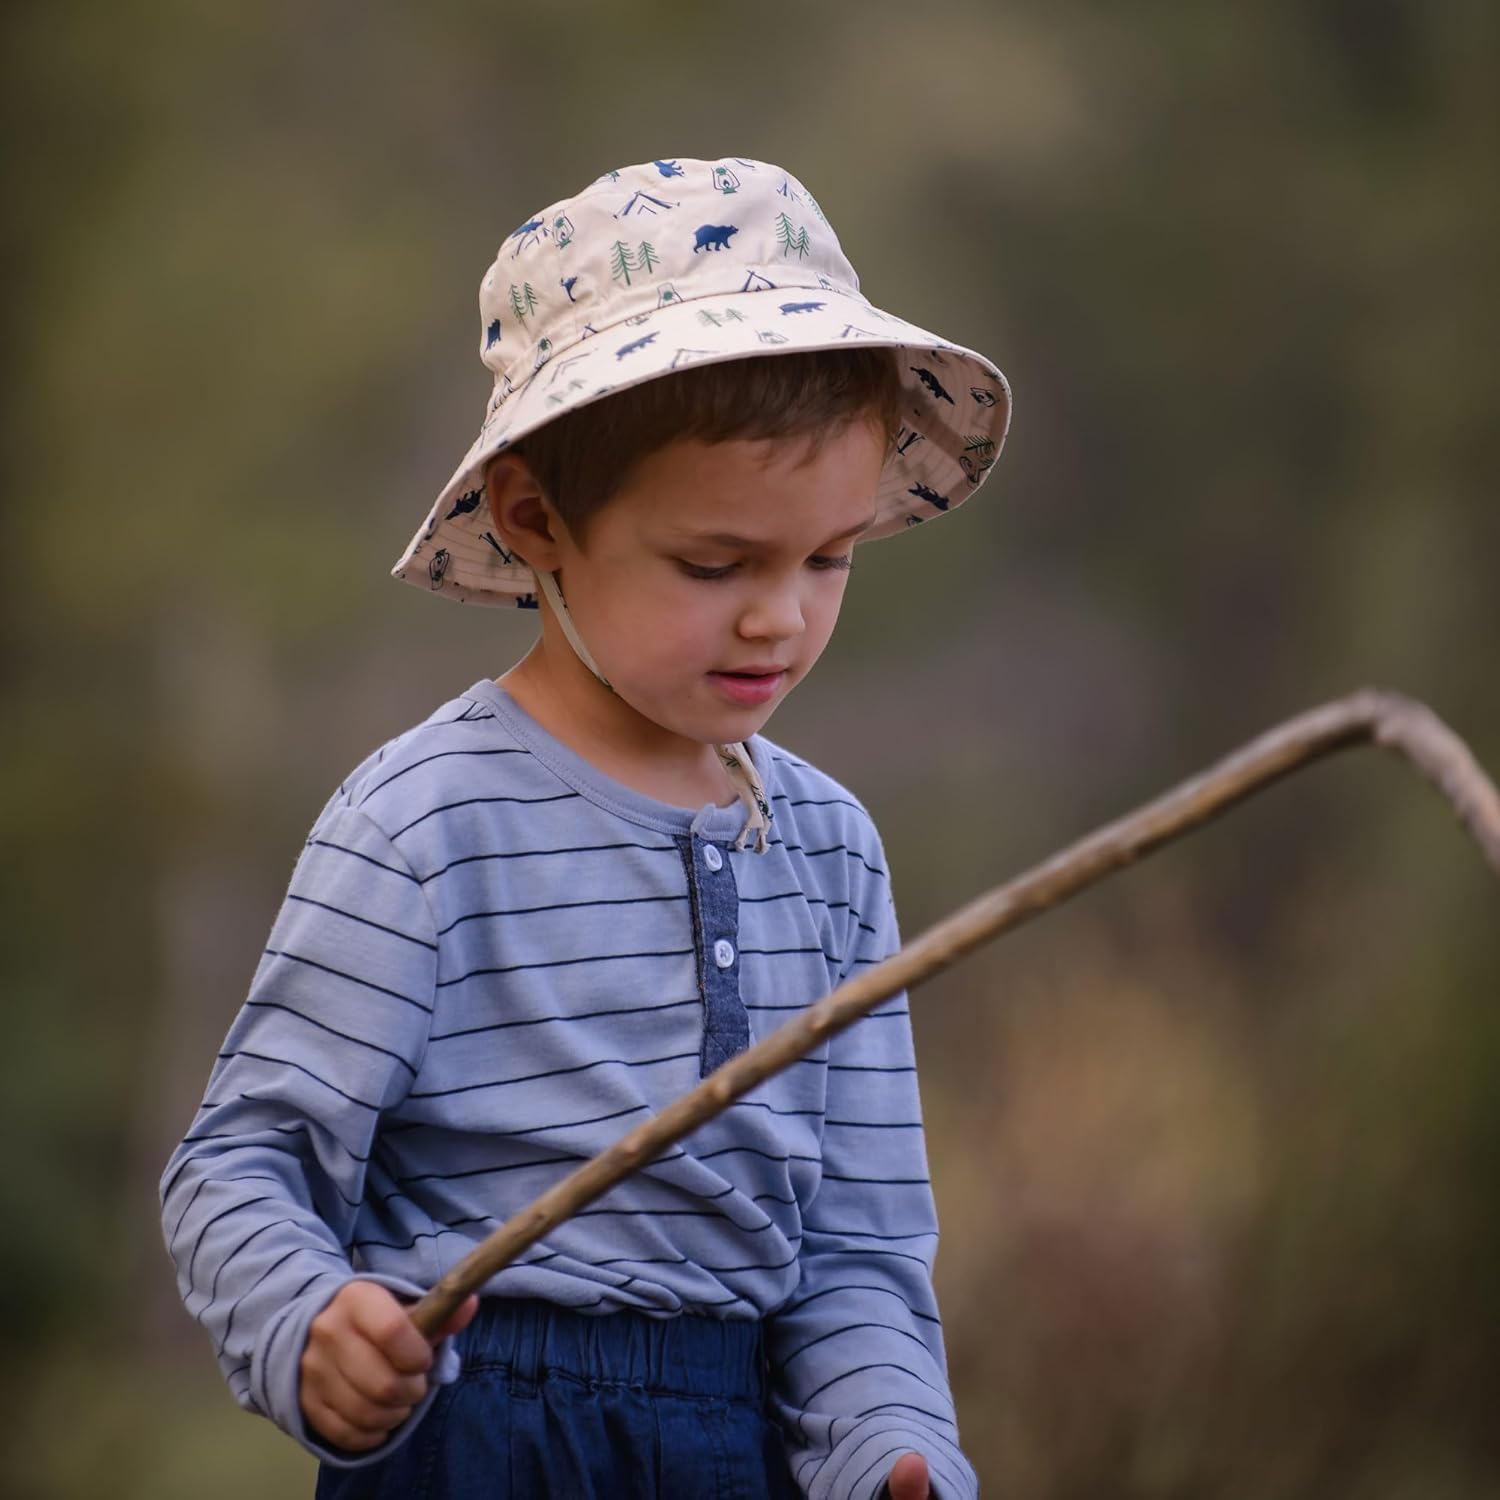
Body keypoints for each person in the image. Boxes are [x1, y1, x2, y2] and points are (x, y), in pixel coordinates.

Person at [160, 155, 1010, 1500]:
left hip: (738, 1452)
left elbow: (858, 1262)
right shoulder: (425, 824)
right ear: (535, 519)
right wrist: (312, 1325)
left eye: (827, 558)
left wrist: (892, 1454)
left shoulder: (832, 856)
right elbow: (241, 1166)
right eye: (715, 564)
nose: (778, 616)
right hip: (479, 1438)